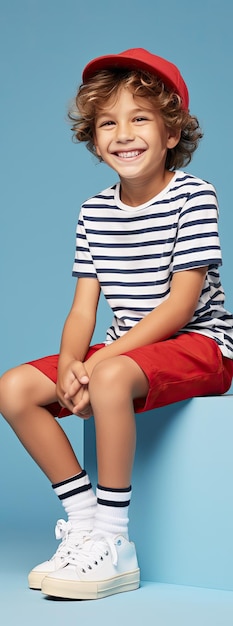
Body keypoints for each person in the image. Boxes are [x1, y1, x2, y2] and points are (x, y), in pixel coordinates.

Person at [1, 47, 233, 601]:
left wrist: (100, 363)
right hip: (125, 349)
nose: (123, 134)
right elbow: (84, 307)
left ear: (172, 132)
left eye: (140, 119)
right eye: (109, 122)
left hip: (201, 344)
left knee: (106, 378)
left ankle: (114, 540)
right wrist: (72, 363)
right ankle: (83, 522)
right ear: (94, 136)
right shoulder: (93, 211)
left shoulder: (194, 196)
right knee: (14, 389)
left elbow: (181, 306)